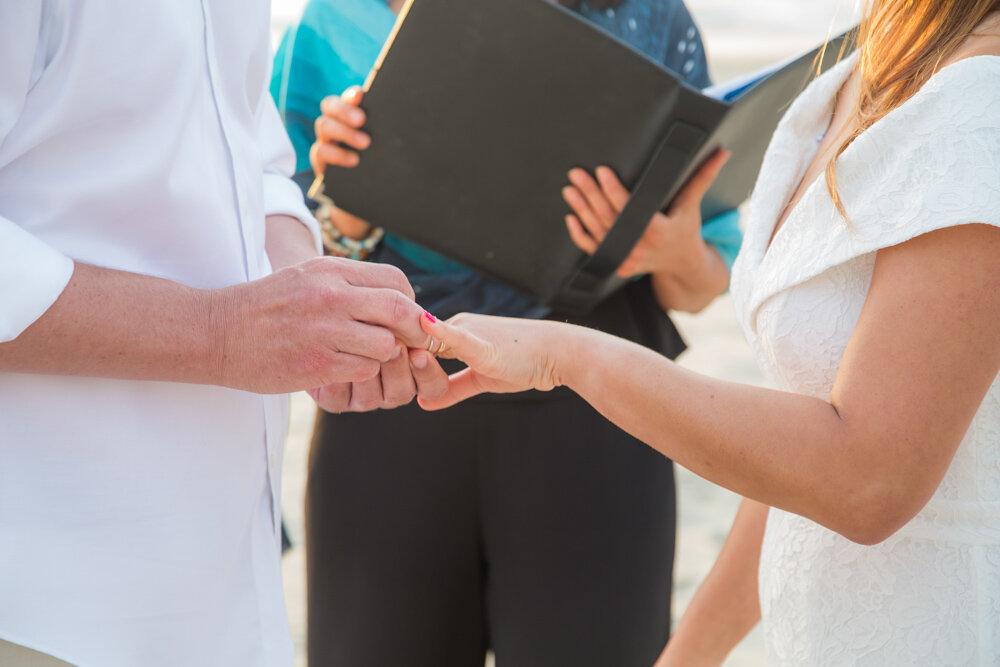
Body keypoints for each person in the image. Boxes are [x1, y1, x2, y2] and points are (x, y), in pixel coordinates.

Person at [416, 1, 1000, 664]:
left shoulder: (980, 110)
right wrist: (688, 653)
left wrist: (564, 353)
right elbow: (802, 443)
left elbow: (867, 480)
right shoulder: (866, 73)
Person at [272, 0, 742, 664]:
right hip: (390, 402)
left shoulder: (654, 20)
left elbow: (699, 282)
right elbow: (280, 266)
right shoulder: (336, 21)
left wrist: (668, 250)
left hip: (595, 423)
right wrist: (349, 197)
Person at [0, 3, 448, 666]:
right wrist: (222, 334)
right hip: (45, 600)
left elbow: (255, 156)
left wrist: (314, 302)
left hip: (227, 585)